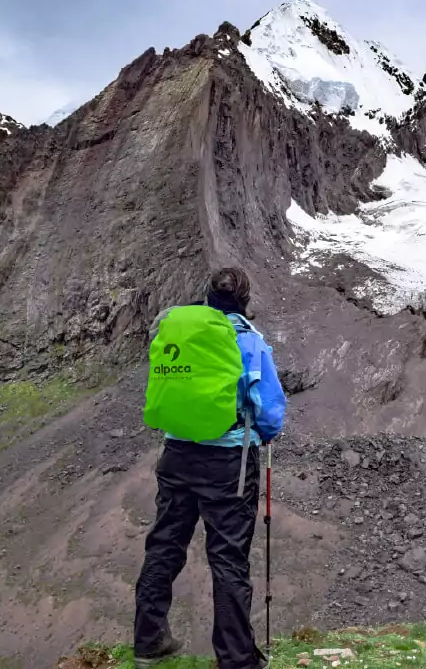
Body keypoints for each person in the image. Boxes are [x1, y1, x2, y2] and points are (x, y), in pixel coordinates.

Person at [134, 267, 288, 669]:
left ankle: (149, 641)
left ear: (207, 297)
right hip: (227, 464)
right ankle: (236, 659)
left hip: (176, 453)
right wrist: (265, 434)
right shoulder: (249, 341)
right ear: (245, 301)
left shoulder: (182, 332)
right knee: (228, 558)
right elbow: (270, 411)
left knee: (165, 543)